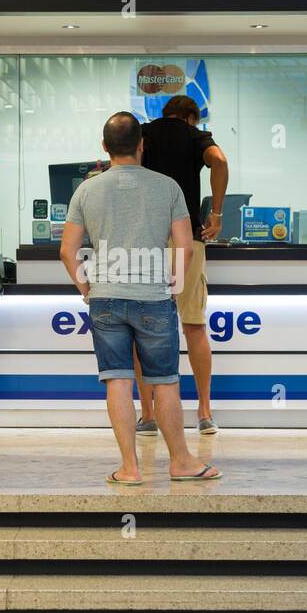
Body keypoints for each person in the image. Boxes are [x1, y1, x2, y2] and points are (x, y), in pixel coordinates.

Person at [60, 112, 221, 485]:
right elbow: (185, 246)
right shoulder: (167, 187)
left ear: (104, 147)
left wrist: (87, 288)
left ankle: (129, 468)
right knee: (164, 381)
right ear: (141, 145)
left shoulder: (86, 190)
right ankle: (181, 461)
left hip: (106, 297)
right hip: (154, 296)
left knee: (117, 380)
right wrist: (176, 286)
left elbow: (69, 251)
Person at [135, 95, 229, 436]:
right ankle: (204, 412)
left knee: (143, 330)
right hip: (186, 239)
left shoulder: (143, 133)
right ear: (192, 116)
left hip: (145, 241)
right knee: (193, 325)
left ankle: (148, 416)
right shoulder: (196, 136)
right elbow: (218, 162)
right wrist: (216, 215)